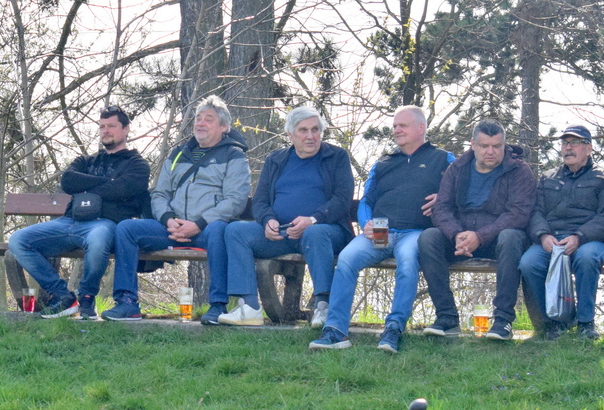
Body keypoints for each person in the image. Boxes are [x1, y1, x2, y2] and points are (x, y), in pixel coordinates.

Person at [309, 105, 455, 353]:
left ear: (421, 127)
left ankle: (393, 329)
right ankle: (335, 331)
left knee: (407, 262)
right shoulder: (384, 162)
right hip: (380, 229)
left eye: (403, 125)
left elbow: (460, 189)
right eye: (394, 126)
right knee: (347, 258)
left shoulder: (444, 159)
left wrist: (443, 198)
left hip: (416, 232)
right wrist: (367, 223)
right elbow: (366, 200)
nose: (396, 130)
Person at [101, 95, 251, 321]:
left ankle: (218, 306)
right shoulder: (178, 154)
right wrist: (169, 219)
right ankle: (127, 303)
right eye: (198, 118)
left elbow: (235, 199)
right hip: (172, 228)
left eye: (208, 119)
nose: (200, 123)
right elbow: (160, 193)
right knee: (126, 229)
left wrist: (198, 224)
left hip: (208, 229)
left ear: (223, 127)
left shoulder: (234, 155)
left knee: (220, 230)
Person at [214, 107, 354, 327]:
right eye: (303, 130)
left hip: (325, 231)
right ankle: (248, 307)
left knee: (315, 233)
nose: (311, 136)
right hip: (282, 234)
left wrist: (313, 219)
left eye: (315, 130)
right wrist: (267, 220)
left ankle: (323, 307)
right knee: (235, 230)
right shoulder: (276, 160)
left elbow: (342, 199)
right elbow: (260, 201)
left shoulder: (336, 157)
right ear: (290, 134)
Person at [9, 106, 150, 319]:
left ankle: (86, 298)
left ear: (126, 129)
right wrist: (108, 182)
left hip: (105, 224)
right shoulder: (85, 161)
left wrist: (87, 187)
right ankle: (63, 296)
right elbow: (68, 181)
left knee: (98, 240)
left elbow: (122, 189)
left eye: (111, 126)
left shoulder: (137, 164)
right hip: (69, 221)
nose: (105, 131)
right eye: (102, 126)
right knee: (19, 240)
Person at [417, 119, 536, 341]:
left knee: (511, 237)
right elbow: (442, 207)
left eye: (497, 146)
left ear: (504, 145)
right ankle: (446, 317)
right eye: (484, 146)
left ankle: (502, 320)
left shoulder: (519, 171)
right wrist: (456, 234)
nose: (491, 151)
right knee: (429, 237)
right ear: (473, 144)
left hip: (497, 240)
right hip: (460, 238)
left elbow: (518, 214)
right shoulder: (457, 168)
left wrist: (480, 237)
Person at [519, 125, 604, 340]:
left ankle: (586, 323)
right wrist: (542, 235)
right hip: (551, 239)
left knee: (586, 258)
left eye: (574, 143)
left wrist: (579, 236)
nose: (568, 148)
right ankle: (553, 323)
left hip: (589, 240)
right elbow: (535, 212)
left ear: (589, 148)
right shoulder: (547, 178)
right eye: (565, 143)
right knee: (528, 263)